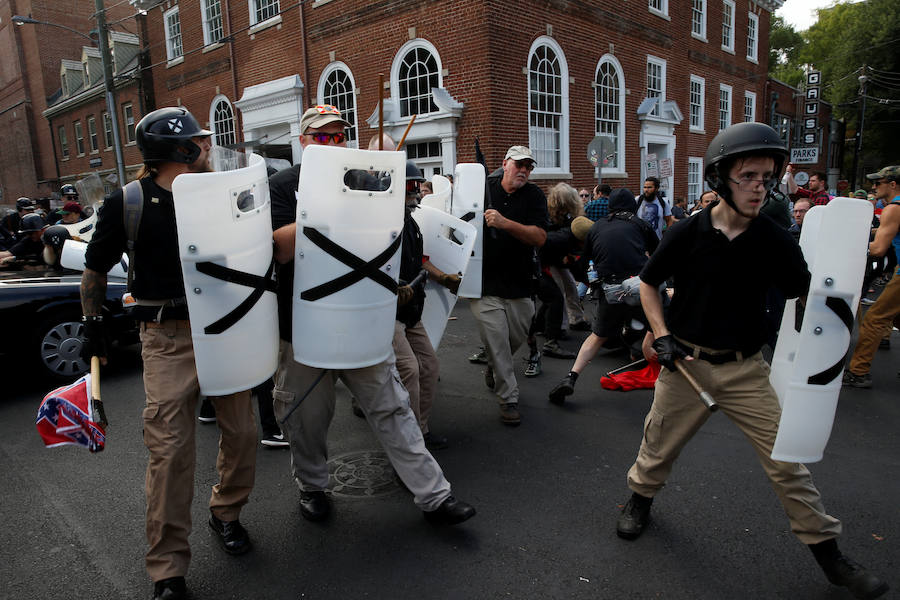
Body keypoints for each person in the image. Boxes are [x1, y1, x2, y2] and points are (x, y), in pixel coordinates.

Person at [615, 122, 888, 599]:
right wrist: (660, 337)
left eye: (768, 176)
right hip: (686, 364)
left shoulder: (775, 238)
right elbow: (647, 283)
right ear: (721, 179)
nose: (761, 187)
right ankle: (639, 502)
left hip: (745, 370)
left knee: (788, 465)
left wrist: (838, 322)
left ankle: (830, 555)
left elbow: (808, 296)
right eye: (749, 176)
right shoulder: (686, 233)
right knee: (657, 446)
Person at [80, 107, 258, 600]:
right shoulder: (129, 202)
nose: (206, 147)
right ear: (180, 150)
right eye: (199, 141)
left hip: (224, 330)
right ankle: (167, 569)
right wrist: (92, 323)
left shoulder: (222, 193)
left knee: (243, 433)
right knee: (170, 452)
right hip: (166, 339)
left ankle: (225, 513)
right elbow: (94, 269)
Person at [268, 104, 476, 525]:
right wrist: (325, 208)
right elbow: (277, 250)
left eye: (341, 136)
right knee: (307, 419)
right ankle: (312, 486)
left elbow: (391, 241)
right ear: (304, 142)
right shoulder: (282, 185)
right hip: (301, 326)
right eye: (324, 137)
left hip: (361, 317)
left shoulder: (365, 183)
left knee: (394, 407)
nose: (335, 144)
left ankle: (433, 495)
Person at [547, 188, 658, 404]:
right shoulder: (640, 224)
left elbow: (582, 263)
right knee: (662, 314)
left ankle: (571, 377)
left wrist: (588, 282)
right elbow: (660, 257)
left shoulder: (597, 226)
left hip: (611, 288)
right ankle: (649, 352)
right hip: (638, 284)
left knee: (597, 336)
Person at [471, 145, 549, 426]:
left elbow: (539, 237)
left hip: (520, 283)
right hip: (484, 283)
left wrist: (505, 223)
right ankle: (508, 398)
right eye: (519, 165)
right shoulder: (481, 187)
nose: (524, 171)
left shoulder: (535, 196)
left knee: (513, 340)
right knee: (497, 341)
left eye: (529, 166)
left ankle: (493, 365)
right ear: (505, 164)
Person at [394, 160, 461, 449]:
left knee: (429, 365)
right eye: (410, 186)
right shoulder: (380, 224)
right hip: (388, 314)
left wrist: (444, 278)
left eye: (418, 186)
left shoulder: (411, 222)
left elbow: (420, 260)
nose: (417, 193)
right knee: (409, 369)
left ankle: (420, 430)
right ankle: (407, 442)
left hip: (411, 310)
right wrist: (393, 288)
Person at [842, 165, 900, 389]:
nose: (874, 187)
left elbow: (877, 249)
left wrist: (852, 245)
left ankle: (858, 372)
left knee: (875, 319)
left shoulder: (893, 208)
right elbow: (888, 230)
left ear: (892, 184)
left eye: (879, 183)